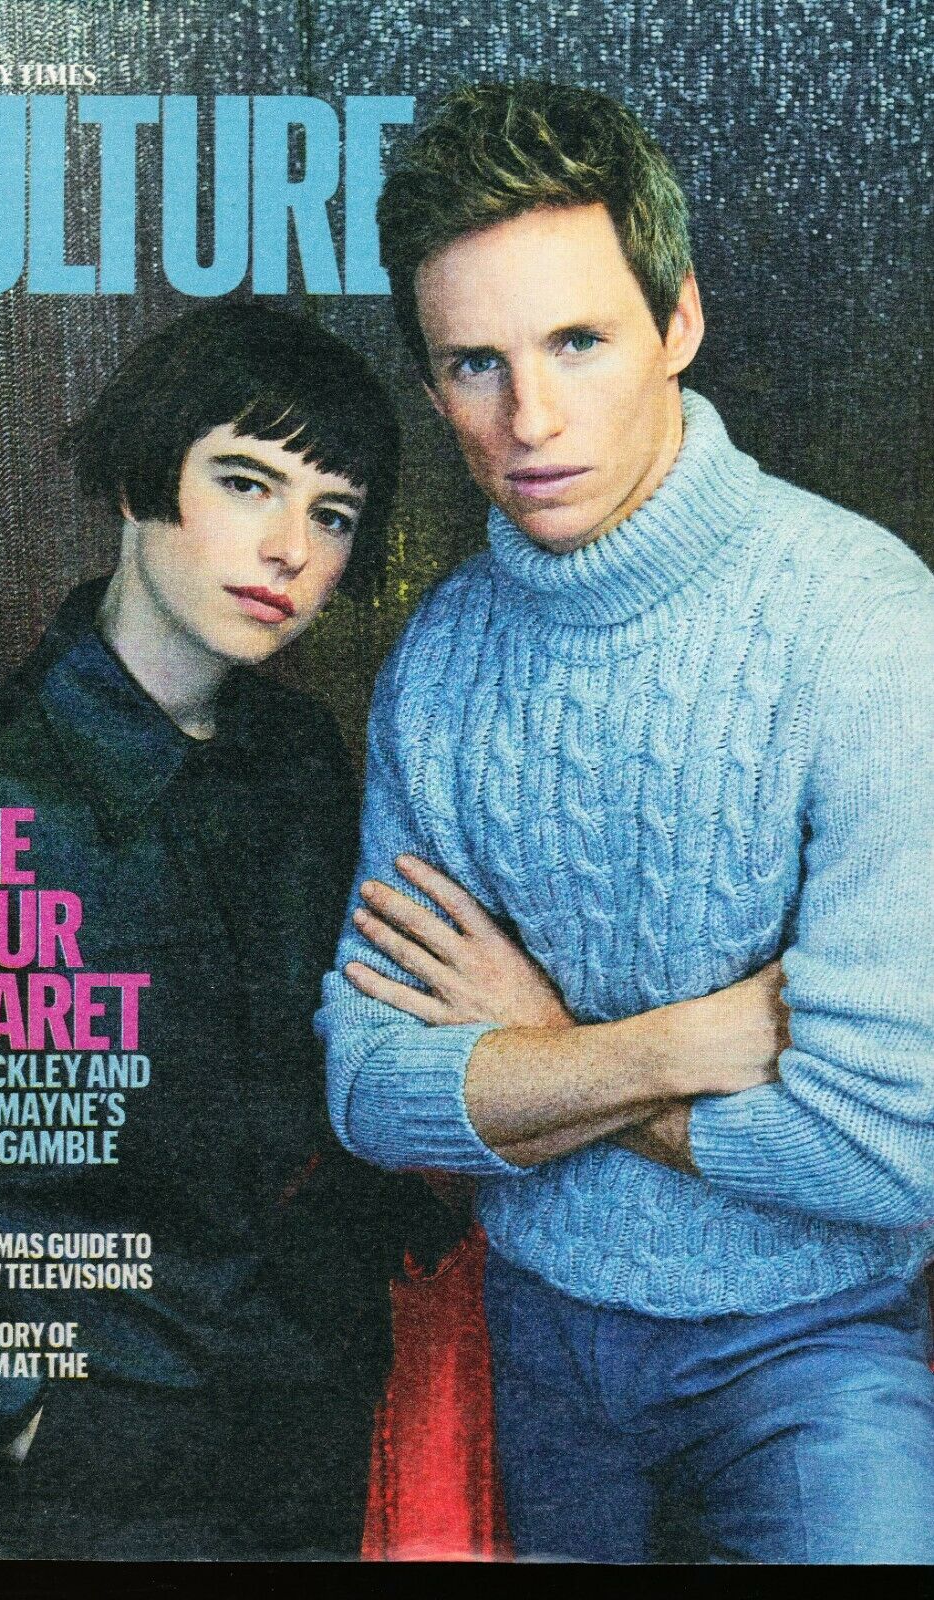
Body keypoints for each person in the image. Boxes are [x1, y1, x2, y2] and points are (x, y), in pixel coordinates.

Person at [318, 81, 934, 1563]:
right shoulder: (441, 664)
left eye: (577, 342)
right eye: (474, 363)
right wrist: (670, 1047)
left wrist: (534, 1050)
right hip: (541, 1347)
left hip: (814, 1348)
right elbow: (371, 1087)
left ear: (678, 323)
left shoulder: (867, 633)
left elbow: (887, 1152)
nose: (527, 420)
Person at [0, 303, 462, 1561]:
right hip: (89, 1459)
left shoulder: (301, 760)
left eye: (332, 513)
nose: (288, 547)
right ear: (137, 476)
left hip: (310, 1414)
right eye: (245, 482)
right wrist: (18, 1426)